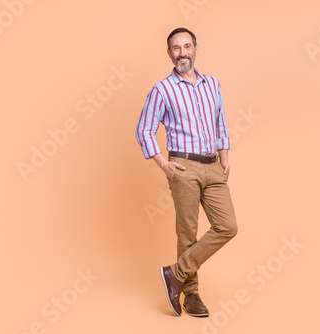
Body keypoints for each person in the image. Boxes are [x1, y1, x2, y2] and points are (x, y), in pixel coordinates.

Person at [135, 27, 238, 317]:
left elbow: (220, 121)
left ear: (196, 48)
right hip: (183, 166)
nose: (182, 53)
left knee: (227, 226)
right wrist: (162, 163)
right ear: (169, 54)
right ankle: (191, 296)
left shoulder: (213, 84)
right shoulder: (162, 89)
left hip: (213, 165)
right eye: (176, 48)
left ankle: (175, 274)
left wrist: (225, 155)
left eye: (187, 46)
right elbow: (144, 129)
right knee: (187, 233)